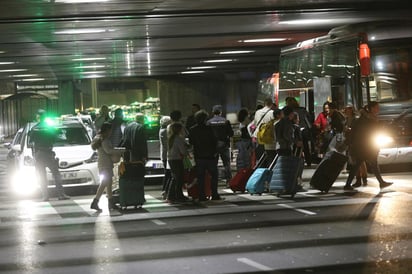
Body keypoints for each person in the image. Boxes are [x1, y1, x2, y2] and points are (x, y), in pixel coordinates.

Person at [343, 101, 393, 191]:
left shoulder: (368, 118)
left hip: (365, 146)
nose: (378, 109)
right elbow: (367, 132)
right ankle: (380, 182)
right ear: (372, 108)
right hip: (364, 146)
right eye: (377, 107)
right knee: (366, 165)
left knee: (367, 164)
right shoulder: (366, 119)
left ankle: (381, 182)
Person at [30, 109, 70, 201]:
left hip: (39, 154)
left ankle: (45, 196)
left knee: (42, 175)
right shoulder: (50, 127)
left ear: (38, 117)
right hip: (48, 152)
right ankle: (61, 195)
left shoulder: (35, 128)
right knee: (56, 173)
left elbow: (31, 141)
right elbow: (56, 137)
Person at [90, 122, 126, 211]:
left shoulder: (98, 138)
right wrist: (122, 150)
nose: (111, 132)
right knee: (105, 183)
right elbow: (109, 151)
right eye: (110, 130)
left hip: (103, 163)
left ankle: (109, 202)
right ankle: (96, 201)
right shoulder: (104, 140)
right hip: (105, 164)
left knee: (108, 183)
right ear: (107, 130)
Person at [188, 109, 222, 202]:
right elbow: (215, 141)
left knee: (200, 177)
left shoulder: (192, 130)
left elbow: (191, 143)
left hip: (199, 156)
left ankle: (202, 195)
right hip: (210, 156)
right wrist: (215, 151)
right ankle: (214, 193)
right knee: (214, 176)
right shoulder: (210, 129)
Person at [207, 105, 234, 185]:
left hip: (213, 146)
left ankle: (213, 180)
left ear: (213, 112)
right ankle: (229, 181)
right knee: (226, 163)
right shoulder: (225, 121)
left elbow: (207, 135)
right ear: (221, 112)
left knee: (213, 164)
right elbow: (231, 133)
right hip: (224, 145)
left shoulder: (209, 122)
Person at [286, 97, 313, 166]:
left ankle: (296, 161)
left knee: (295, 146)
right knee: (305, 146)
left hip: (295, 130)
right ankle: (308, 161)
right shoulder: (302, 110)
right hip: (304, 130)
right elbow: (309, 119)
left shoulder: (290, 112)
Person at [167, 122, 190, 204]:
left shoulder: (171, 138)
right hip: (177, 160)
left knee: (175, 178)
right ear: (179, 129)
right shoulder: (178, 139)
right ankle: (176, 196)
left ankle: (173, 196)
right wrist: (187, 150)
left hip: (171, 159)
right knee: (179, 179)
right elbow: (183, 151)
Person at [252, 98, 275, 164]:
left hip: (258, 136)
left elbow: (256, 124)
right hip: (268, 137)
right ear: (271, 104)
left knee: (260, 156)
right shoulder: (272, 113)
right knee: (269, 155)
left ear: (264, 104)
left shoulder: (257, 112)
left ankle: (261, 168)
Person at [159, 115, 172, 199]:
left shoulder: (162, 130)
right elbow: (167, 145)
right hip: (166, 155)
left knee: (168, 174)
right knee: (168, 174)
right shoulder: (164, 131)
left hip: (165, 155)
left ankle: (165, 191)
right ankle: (165, 191)